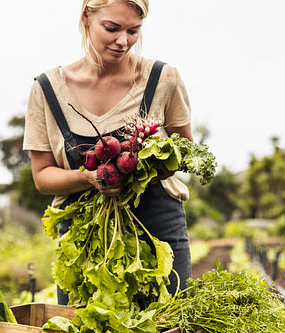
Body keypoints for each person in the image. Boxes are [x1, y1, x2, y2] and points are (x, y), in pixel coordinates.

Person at [23, 0, 193, 305]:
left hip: (157, 234)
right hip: (84, 242)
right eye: (111, 28)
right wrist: (89, 177)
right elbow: (42, 177)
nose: (123, 41)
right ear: (87, 17)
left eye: (133, 31)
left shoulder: (163, 78)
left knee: (168, 321)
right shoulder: (47, 89)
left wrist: (158, 165)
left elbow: (186, 151)